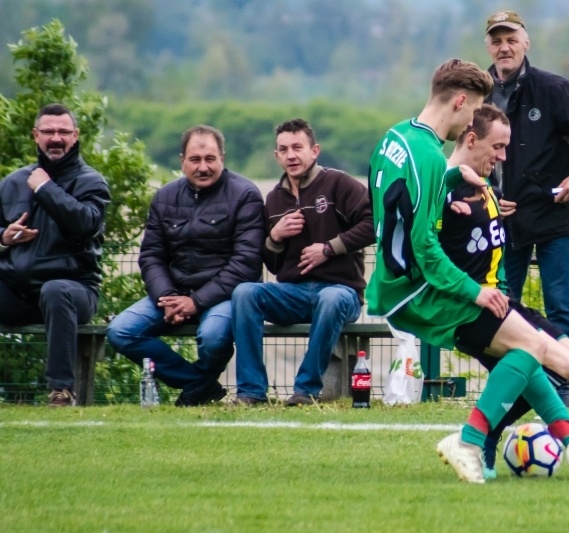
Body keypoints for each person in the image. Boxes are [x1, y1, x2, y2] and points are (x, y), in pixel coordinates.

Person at [367, 59, 569, 483]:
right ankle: (470, 440)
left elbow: (399, 205)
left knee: (531, 350)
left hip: (395, 283)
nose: (472, 118)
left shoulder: (396, 138)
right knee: (533, 348)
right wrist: (474, 291)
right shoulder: (429, 157)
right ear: (460, 101)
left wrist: (456, 176)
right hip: (421, 290)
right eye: (474, 107)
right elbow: (425, 248)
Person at [440, 103, 569, 480]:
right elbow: (420, 229)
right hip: (472, 308)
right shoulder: (445, 187)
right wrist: (448, 193)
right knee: (549, 364)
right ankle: (475, 440)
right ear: (472, 139)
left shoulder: (484, 184)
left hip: (503, 302)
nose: (504, 156)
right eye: (498, 147)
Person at [107, 125, 265, 406]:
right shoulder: (165, 197)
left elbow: (246, 264)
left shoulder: (245, 195)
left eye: (210, 159)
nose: (203, 167)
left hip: (224, 296)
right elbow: (151, 255)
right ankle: (198, 384)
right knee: (121, 330)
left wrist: (196, 302)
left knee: (214, 337)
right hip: (173, 291)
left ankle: (199, 386)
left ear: (222, 158)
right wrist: (166, 297)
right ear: (182, 160)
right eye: (195, 160)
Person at [484, 10, 569, 352]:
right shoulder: (478, 93)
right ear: (488, 47)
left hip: (553, 213)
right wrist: (485, 193)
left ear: (526, 43)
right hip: (500, 220)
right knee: (502, 307)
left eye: (511, 40)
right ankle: (517, 388)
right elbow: (463, 154)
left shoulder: (553, 89)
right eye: (497, 41)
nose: (504, 48)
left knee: (561, 306)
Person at [232, 119, 374, 406]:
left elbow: (374, 224)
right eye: (283, 149)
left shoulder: (339, 184)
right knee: (244, 293)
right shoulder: (273, 200)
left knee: (332, 298)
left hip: (341, 292)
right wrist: (274, 237)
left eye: (298, 147)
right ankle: (251, 392)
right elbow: (272, 265)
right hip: (293, 294)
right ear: (276, 156)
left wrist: (330, 248)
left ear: (315, 150)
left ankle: (305, 390)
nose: (291, 155)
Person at [0, 103, 110, 407]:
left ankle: (61, 391)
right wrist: (4, 237)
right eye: (48, 131)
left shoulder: (91, 182)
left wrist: (46, 189)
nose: (56, 138)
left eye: (63, 131)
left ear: (75, 136)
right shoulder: (11, 182)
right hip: (18, 293)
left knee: (55, 289)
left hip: (73, 293)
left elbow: (86, 224)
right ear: (36, 135)